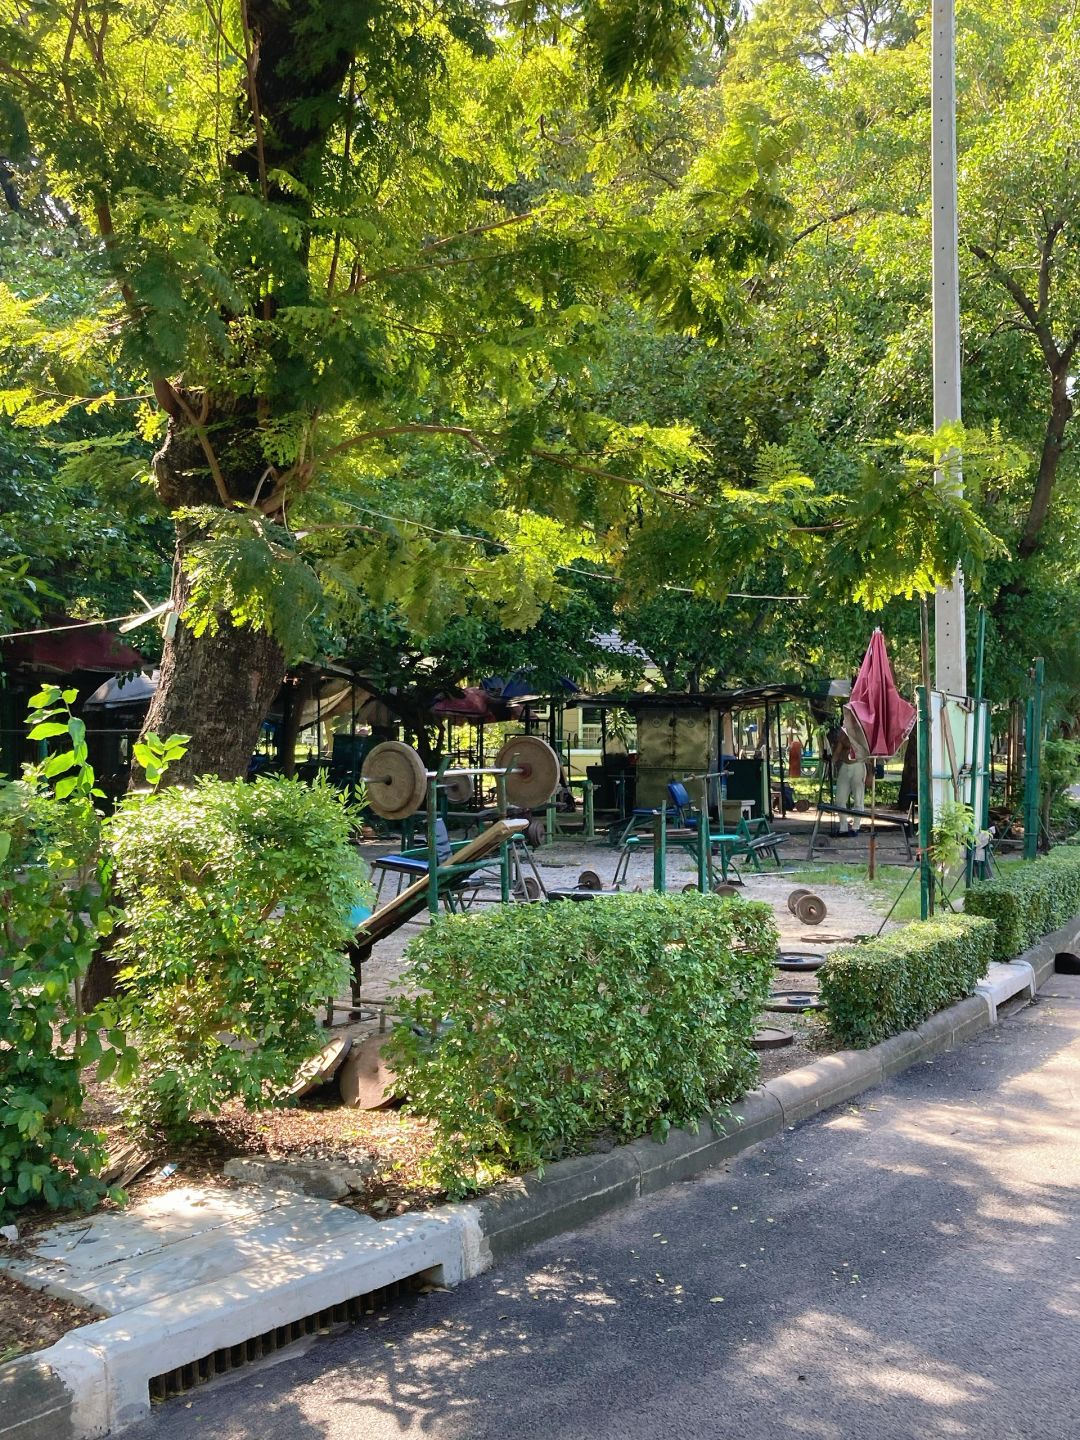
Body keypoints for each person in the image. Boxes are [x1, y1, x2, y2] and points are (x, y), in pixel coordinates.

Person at [831, 726, 866, 836]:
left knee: (858, 798)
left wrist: (869, 774)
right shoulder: (843, 732)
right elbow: (837, 752)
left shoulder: (860, 731)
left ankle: (856, 827)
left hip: (858, 765)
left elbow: (863, 750)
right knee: (840, 799)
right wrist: (831, 763)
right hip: (845, 766)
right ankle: (843, 828)